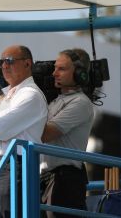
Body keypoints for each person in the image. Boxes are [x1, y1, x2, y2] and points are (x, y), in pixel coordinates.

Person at [0, 45, 48, 218]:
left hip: (13, 167)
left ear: (27, 64)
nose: (4, 66)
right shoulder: (1, 99)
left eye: (9, 61)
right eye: (1, 62)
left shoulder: (31, 94)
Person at [40, 48, 94, 218]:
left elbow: (45, 134)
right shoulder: (55, 101)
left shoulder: (81, 102)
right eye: (55, 68)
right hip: (47, 178)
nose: (54, 73)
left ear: (79, 74)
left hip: (65, 181)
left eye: (62, 69)